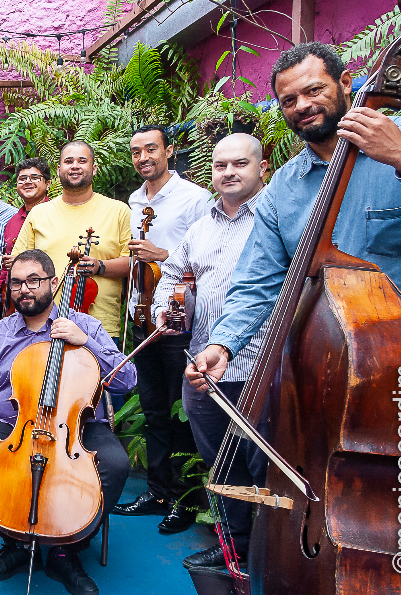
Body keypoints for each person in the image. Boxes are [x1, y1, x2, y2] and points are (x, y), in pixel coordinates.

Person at [189, 42, 401, 389]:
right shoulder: (283, 187)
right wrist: (224, 344)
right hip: (328, 374)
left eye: (314, 90)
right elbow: (258, 279)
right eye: (289, 100)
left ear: (345, 83)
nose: (302, 106)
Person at [0, 249, 135, 595]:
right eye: (17, 283)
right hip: (14, 426)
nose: (25, 289)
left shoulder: (86, 326)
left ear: (54, 283)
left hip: (74, 427)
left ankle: (66, 549)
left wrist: (88, 345)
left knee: (115, 464)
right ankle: (17, 540)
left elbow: (128, 379)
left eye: (33, 281)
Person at [150, 133, 270, 568]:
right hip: (202, 367)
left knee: (263, 469)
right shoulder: (199, 228)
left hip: (261, 366)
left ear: (262, 169)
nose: (229, 173)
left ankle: (268, 558)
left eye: (240, 164)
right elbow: (171, 276)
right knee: (220, 466)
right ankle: (234, 549)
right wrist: (165, 308)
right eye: (221, 166)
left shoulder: (275, 221)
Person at [113, 125, 212, 533]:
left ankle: (186, 500)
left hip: (179, 321)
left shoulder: (195, 198)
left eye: (150, 149)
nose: (143, 158)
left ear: (169, 150)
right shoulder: (136, 199)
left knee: (180, 411)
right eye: (136, 151)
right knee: (154, 409)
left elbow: (210, 255)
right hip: (142, 316)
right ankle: (156, 491)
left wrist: (164, 254)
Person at [11, 142, 131, 341]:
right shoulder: (39, 213)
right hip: (43, 324)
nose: (75, 166)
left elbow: (132, 265)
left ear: (94, 168)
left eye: (82, 161)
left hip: (100, 328)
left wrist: (100, 266)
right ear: (59, 170)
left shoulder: (119, 211)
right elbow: (18, 263)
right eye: (68, 161)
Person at [0, 157, 51, 291]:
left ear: (48, 183)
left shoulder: (55, 215)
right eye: (22, 179)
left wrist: (21, 262)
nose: (27, 182)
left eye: (34, 177)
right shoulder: (12, 221)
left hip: (45, 292)